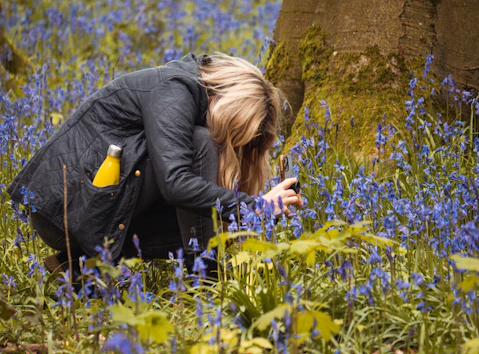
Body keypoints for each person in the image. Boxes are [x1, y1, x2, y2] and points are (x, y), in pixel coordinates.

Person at [7, 52, 303, 276]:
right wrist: (256, 207)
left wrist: (261, 212)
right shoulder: (176, 90)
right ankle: (206, 278)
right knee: (201, 144)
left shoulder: (189, 94)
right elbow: (175, 185)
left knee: (208, 209)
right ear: (228, 107)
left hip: (87, 211)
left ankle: (78, 267)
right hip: (64, 215)